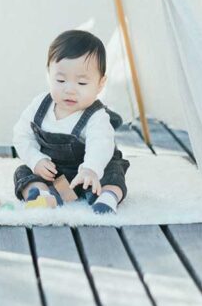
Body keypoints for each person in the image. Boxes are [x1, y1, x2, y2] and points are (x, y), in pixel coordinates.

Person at [11, 29, 129, 214]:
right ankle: (43, 194)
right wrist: (36, 160)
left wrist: (91, 169)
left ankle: (107, 198)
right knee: (23, 172)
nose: (70, 90)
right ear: (49, 75)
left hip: (90, 175)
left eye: (82, 83)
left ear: (100, 84)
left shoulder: (96, 116)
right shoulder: (40, 105)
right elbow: (21, 135)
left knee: (113, 173)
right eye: (60, 80)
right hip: (55, 174)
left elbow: (101, 145)